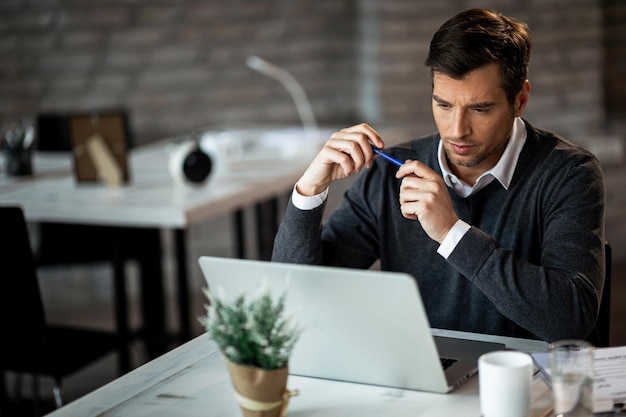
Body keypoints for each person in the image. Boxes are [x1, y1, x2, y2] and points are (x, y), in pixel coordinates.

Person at [271, 8, 606, 342]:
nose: (457, 130)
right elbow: (296, 299)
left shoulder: (570, 174)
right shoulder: (392, 171)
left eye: (480, 109)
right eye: (443, 105)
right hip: (422, 381)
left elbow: (570, 321)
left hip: (520, 383)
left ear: (519, 100)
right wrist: (309, 191)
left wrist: (451, 232)